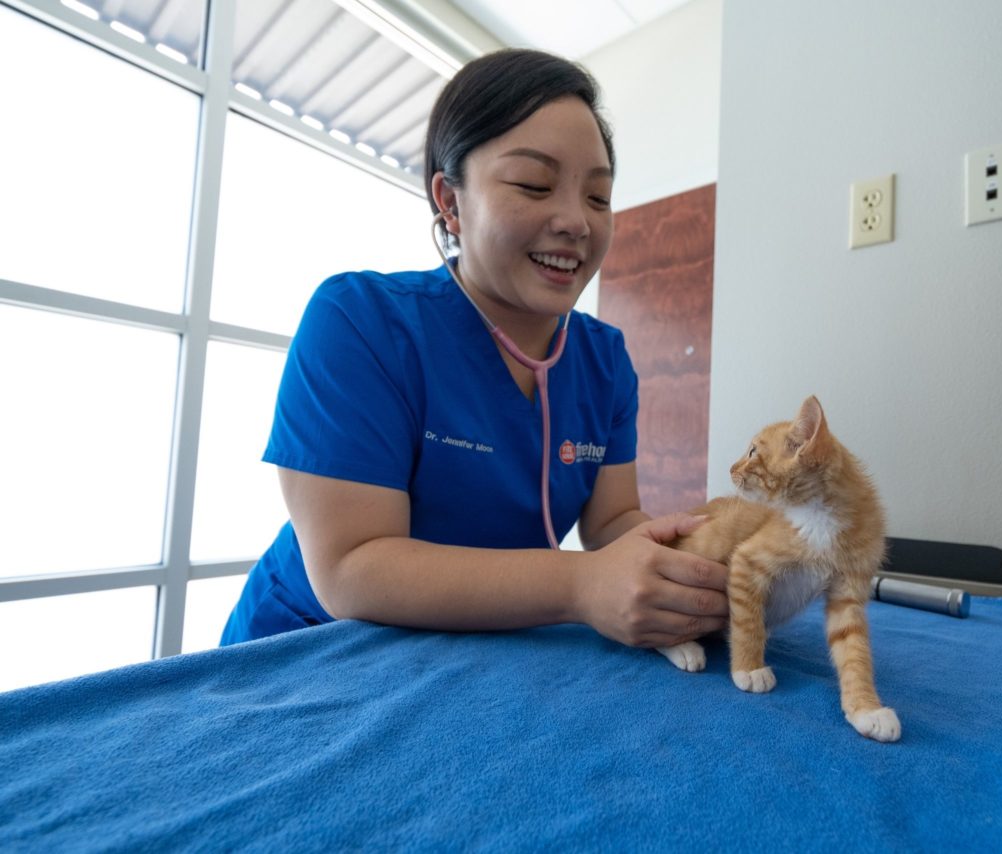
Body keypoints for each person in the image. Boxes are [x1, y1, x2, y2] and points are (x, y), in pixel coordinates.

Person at [221, 48, 729, 650]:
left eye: (598, 197)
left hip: (478, 660)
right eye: (535, 184)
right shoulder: (360, 323)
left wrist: (699, 560)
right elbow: (351, 568)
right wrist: (578, 586)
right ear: (451, 201)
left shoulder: (604, 359)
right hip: (308, 656)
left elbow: (612, 522)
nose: (576, 221)